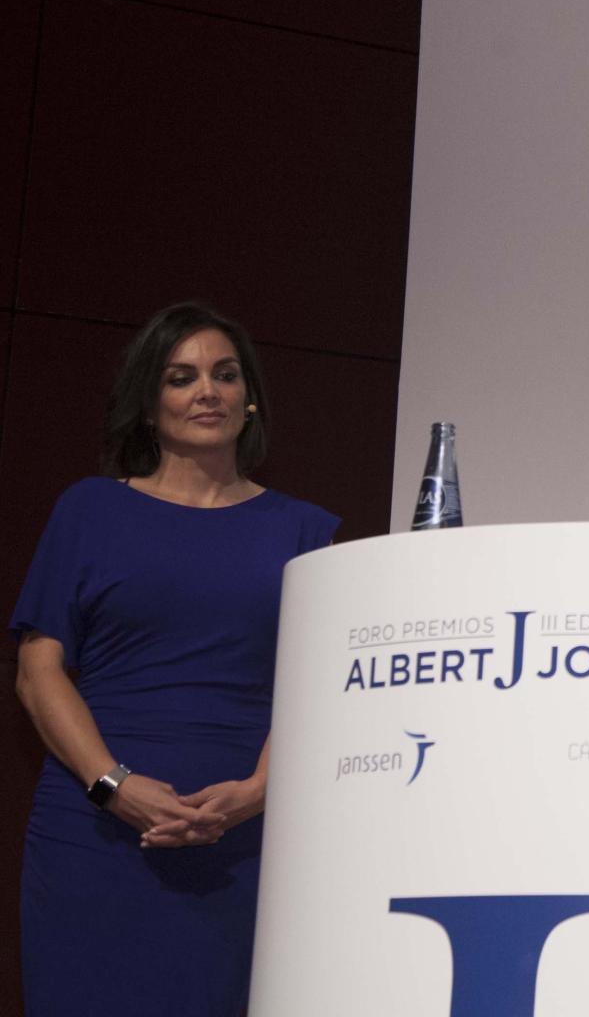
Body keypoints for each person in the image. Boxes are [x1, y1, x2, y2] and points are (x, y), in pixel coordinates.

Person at [10, 303, 339, 1016]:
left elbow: (319, 690)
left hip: (244, 843)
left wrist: (256, 794)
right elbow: (37, 674)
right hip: (94, 837)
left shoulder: (306, 531)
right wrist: (115, 786)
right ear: (149, 403)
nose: (207, 392)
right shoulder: (90, 510)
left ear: (249, 399)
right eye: (181, 377)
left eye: (225, 375)